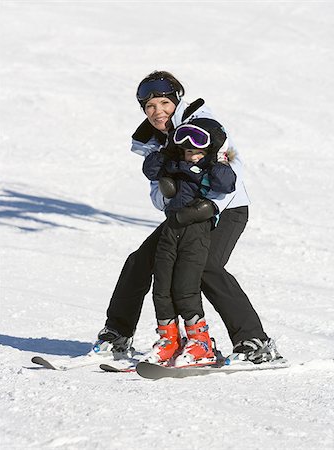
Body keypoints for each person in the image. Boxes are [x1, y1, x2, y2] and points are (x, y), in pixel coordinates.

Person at [95, 70, 283, 365]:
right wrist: (169, 191)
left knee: (206, 266)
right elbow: (158, 199)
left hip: (226, 210)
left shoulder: (204, 125)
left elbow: (233, 171)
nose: (158, 112)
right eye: (150, 107)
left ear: (176, 101)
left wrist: (209, 207)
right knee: (139, 261)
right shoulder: (153, 143)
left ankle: (255, 342)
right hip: (183, 216)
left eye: (163, 104)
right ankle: (116, 337)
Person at [141, 119, 236, 366]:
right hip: (171, 229)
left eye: (199, 151)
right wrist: (165, 151)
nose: (193, 156)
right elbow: (150, 169)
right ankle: (169, 341)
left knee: (185, 286)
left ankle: (201, 343)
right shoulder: (173, 164)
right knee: (161, 286)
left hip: (196, 231)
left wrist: (218, 159)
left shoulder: (213, 169)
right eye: (188, 150)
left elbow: (227, 184)